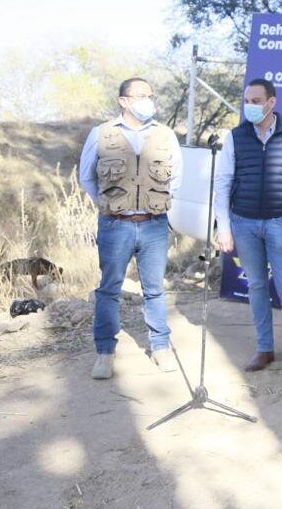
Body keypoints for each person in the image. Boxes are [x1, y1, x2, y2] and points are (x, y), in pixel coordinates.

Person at [79, 77, 183, 380]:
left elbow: (175, 178)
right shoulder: (101, 134)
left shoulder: (165, 135)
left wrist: (154, 203)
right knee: (109, 289)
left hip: (153, 225)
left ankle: (160, 347)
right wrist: (110, 205)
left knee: (155, 290)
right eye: (140, 95)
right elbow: (87, 177)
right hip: (115, 225)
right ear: (123, 101)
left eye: (150, 95)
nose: (147, 100)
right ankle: (105, 353)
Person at [214, 78, 282, 380]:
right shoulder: (235, 137)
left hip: (279, 223)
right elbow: (222, 183)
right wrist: (224, 226)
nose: (250, 106)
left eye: (256, 101)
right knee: (257, 286)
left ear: (272, 103)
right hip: (243, 223)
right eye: (247, 100)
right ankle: (264, 349)